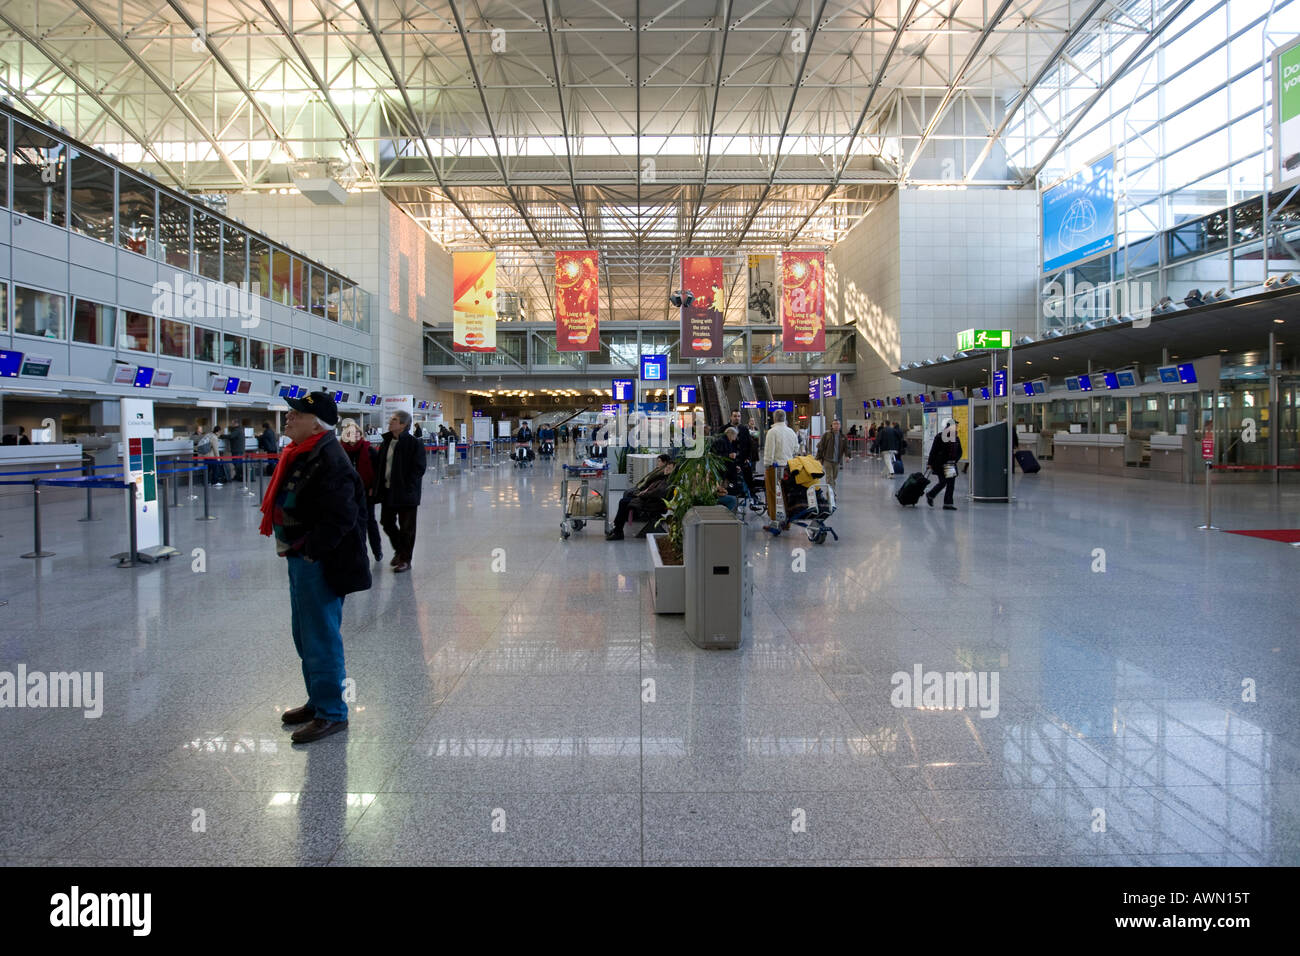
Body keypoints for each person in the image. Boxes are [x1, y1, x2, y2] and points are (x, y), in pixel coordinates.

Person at [259, 390, 370, 744]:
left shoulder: (329, 458)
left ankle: (333, 713)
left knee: (321, 637)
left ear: (316, 423)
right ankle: (317, 700)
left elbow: (342, 516)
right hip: (298, 555)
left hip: (319, 562)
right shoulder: (301, 452)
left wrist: (311, 551)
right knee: (304, 635)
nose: (289, 418)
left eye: (296, 414)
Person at [373, 410, 427, 572]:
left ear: (403, 425)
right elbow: (380, 467)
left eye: (394, 420)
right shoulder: (386, 442)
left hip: (406, 493)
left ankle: (405, 559)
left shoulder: (413, 443)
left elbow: (419, 468)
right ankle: (400, 550)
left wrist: (408, 486)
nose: (390, 422)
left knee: (407, 528)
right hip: (388, 491)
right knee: (386, 522)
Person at [339, 418, 383, 563]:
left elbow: (378, 472)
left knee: (369, 520)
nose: (354, 435)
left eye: (357, 433)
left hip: (366, 491)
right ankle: (359, 551)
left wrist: (373, 489)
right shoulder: (341, 451)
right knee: (351, 522)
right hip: (347, 494)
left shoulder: (368, 450)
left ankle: (377, 550)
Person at [606, 458, 675, 540]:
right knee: (625, 500)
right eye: (666, 467)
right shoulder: (664, 478)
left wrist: (641, 495)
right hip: (650, 500)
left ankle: (618, 531)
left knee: (623, 502)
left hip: (652, 503)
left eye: (669, 469)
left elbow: (657, 493)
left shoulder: (667, 481)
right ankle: (617, 529)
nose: (666, 469)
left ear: (674, 472)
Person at [762, 409, 799, 527]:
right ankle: (787, 522)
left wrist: (767, 465)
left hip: (774, 467)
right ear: (785, 418)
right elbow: (796, 449)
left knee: (773, 494)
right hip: (788, 467)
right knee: (786, 494)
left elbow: (769, 451)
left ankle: (774, 521)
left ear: (774, 418)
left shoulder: (772, 432)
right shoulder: (791, 432)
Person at [925, 419, 963, 511]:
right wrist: (930, 463)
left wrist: (955, 460)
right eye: (955, 426)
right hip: (940, 464)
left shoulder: (955, 437)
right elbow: (933, 451)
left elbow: (959, 451)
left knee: (950, 484)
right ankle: (931, 494)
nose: (956, 428)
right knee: (943, 482)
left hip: (950, 464)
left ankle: (948, 503)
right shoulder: (940, 436)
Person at [815, 418, 850, 488]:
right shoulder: (827, 435)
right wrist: (818, 457)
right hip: (827, 460)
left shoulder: (843, 437)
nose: (836, 425)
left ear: (840, 426)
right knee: (829, 478)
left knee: (834, 477)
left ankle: (832, 491)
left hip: (837, 461)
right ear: (832, 425)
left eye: (838, 424)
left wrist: (847, 456)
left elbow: (846, 447)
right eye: (834, 424)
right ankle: (831, 496)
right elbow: (821, 446)